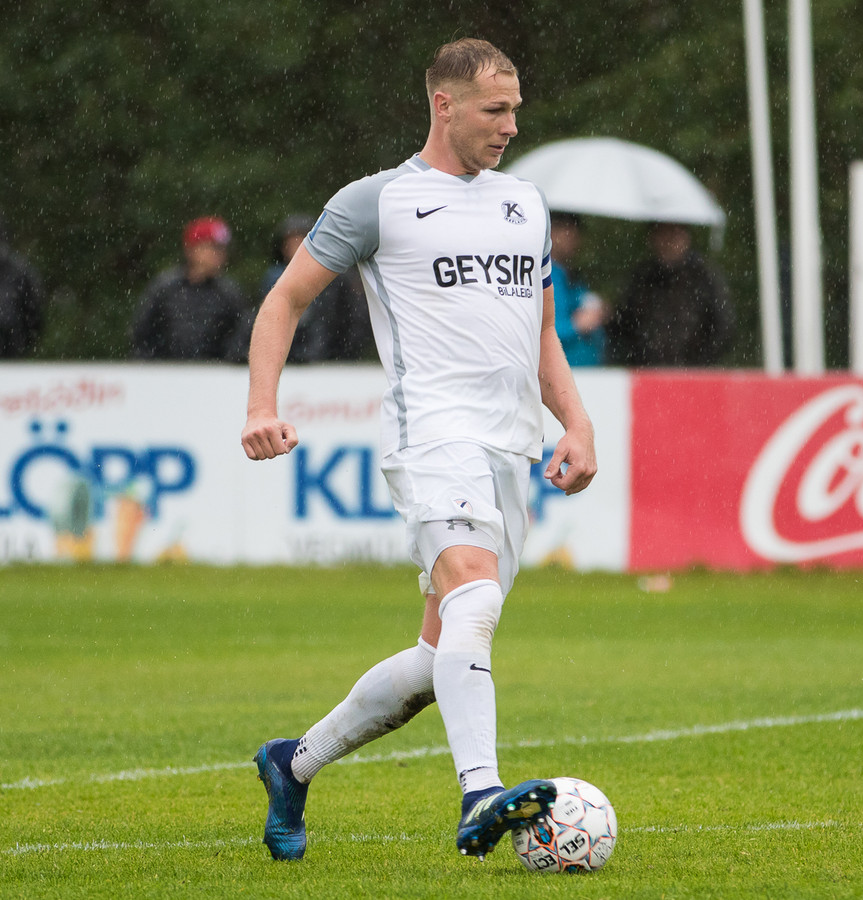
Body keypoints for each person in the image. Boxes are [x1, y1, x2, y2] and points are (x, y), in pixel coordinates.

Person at [240, 38, 597, 863]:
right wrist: (262, 405)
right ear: (444, 105)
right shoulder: (377, 201)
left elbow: (542, 333)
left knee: (440, 654)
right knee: (476, 596)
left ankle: (293, 764)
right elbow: (284, 301)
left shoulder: (527, 204)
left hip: (509, 450)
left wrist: (577, 425)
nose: (510, 125)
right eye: (494, 110)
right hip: (430, 436)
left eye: (515, 109)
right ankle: (481, 793)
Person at [606, 221, 734, 366]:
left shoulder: (704, 276)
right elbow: (625, 324)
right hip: (648, 371)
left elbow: (724, 326)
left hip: (692, 372)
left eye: (673, 234)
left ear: (686, 237)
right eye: (662, 234)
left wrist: (698, 362)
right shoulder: (642, 277)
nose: (668, 242)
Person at [260, 214, 375, 363]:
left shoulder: (338, 279)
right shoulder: (274, 279)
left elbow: (355, 322)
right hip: (289, 360)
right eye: (290, 243)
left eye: (300, 241)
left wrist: (338, 355)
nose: (295, 248)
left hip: (333, 362)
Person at [132, 216, 247, 361]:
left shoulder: (229, 293)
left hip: (213, 373)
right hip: (167, 371)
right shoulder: (165, 289)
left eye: (222, 249)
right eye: (214, 248)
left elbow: (239, 340)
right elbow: (142, 335)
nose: (220, 255)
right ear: (192, 249)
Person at [549, 212, 606, 366]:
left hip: (588, 372)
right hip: (563, 372)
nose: (573, 238)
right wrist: (577, 326)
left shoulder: (573, 276)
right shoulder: (544, 276)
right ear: (551, 232)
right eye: (567, 230)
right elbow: (542, 333)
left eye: (575, 232)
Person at [0, 212, 44, 358]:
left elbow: (34, 314)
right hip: (13, 347)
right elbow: (34, 315)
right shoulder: (22, 270)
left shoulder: (20, 271)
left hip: (12, 347)